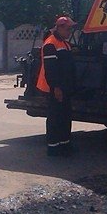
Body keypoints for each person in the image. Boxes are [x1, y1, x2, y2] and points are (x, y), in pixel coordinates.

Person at [36, 16, 77, 156]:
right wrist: (56, 88)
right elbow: (51, 69)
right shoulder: (50, 44)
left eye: (71, 29)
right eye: (68, 29)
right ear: (59, 28)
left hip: (64, 87)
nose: (69, 32)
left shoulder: (65, 44)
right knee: (55, 117)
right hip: (54, 88)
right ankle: (53, 147)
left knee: (65, 116)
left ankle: (64, 144)